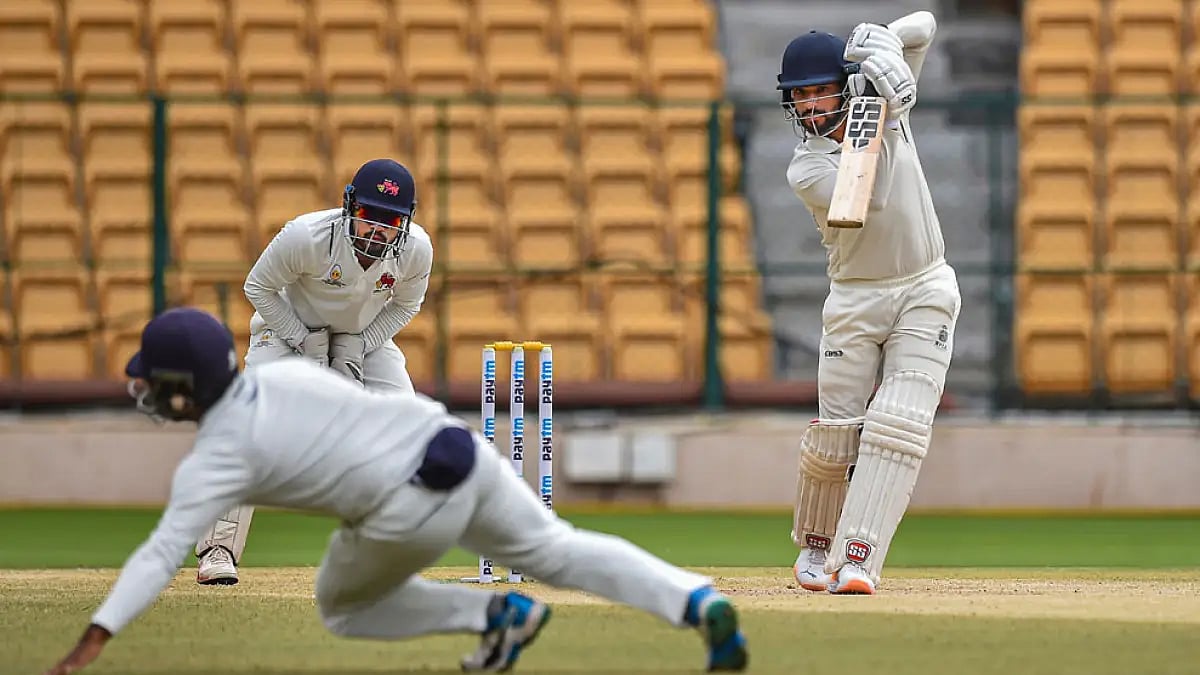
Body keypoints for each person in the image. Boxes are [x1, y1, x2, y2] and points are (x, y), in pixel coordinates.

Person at [43, 307, 748, 674]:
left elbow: (161, 551)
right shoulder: (282, 375)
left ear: (180, 389)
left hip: (407, 500)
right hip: (458, 448)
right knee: (560, 549)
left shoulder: (216, 456)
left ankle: (493, 616)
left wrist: (98, 630)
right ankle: (695, 599)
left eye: (154, 381)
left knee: (341, 607)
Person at [778, 11, 960, 595]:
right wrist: (887, 112)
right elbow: (867, 198)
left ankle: (858, 557)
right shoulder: (806, 167)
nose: (809, 105)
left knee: (898, 424)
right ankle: (815, 543)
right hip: (855, 299)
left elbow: (926, 26)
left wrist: (884, 38)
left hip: (924, 283)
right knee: (838, 435)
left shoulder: (877, 95)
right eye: (799, 96)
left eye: (818, 90)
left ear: (842, 83)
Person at [194, 157, 434, 586]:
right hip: (286, 332)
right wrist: (303, 340)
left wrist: (359, 346)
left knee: (407, 426)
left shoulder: (416, 249)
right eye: (369, 215)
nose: (378, 230)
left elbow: (406, 305)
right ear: (349, 209)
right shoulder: (306, 236)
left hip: (363, 337)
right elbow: (258, 287)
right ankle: (217, 549)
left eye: (391, 220)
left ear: (406, 221)